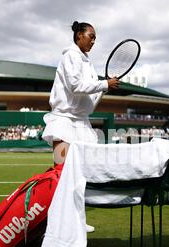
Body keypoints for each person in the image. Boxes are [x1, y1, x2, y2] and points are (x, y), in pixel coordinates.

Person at [41, 21, 119, 232]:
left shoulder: (88, 64)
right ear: (78, 36)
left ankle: (75, 221)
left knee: (80, 175)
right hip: (62, 121)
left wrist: (102, 90)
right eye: (90, 36)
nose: (93, 40)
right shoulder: (70, 56)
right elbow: (75, 86)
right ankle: (54, 222)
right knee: (61, 172)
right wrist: (104, 84)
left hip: (81, 123)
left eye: (95, 37)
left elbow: (88, 105)